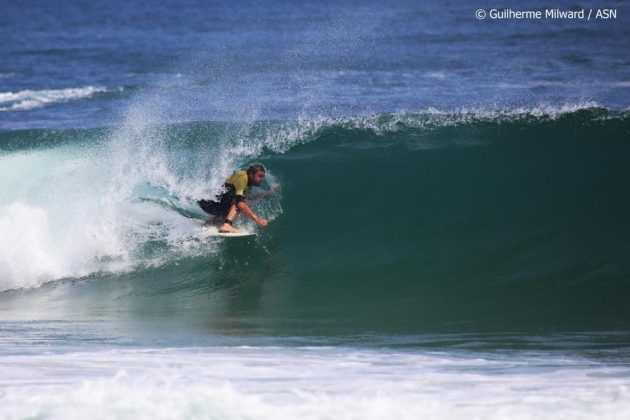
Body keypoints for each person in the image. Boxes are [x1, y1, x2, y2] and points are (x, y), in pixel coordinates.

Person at [197, 163, 272, 233]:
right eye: (260, 176)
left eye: (263, 177)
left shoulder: (248, 182)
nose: (262, 179)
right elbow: (240, 204)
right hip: (209, 204)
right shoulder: (243, 178)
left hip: (214, 206)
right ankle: (226, 225)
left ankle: (212, 222)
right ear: (251, 174)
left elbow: (248, 198)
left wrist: (265, 193)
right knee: (238, 202)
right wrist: (258, 220)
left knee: (240, 203)